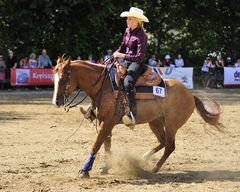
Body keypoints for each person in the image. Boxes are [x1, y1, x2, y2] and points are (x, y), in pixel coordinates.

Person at [111, 7, 149, 128]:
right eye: (127, 18)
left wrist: (121, 55)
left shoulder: (142, 35)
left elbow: (139, 57)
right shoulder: (127, 30)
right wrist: (115, 54)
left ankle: (133, 114)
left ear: (136, 21)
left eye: (129, 18)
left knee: (128, 82)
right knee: (109, 73)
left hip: (137, 63)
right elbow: (122, 46)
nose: (127, 20)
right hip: (127, 61)